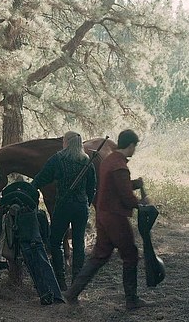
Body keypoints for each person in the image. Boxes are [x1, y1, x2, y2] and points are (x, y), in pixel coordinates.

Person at [65, 129, 150, 310]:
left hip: (103, 214)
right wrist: (142, 204)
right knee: (130, 255)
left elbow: (117, 185)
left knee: (100, 255)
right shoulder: (119, 165)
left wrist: (135, 184)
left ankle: (72, 293)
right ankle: (131, 300)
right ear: (131, 145)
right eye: (134, 146)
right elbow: (125, 196)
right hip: (115, 217)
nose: (134, 150)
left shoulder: (109, 160)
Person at [31, 131, 96, 291]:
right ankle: (76, 282)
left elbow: (42, 177)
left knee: (55, 241)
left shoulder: (58, 159)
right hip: (81, 207)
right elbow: (92, 188)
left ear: (66, 142)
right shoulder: (86, 161)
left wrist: (30, 188)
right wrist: (85, 204)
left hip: (63, 206)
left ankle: (60, 281)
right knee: (79, 243)